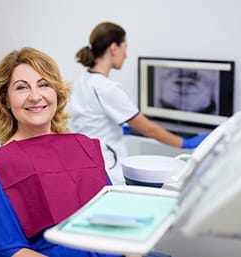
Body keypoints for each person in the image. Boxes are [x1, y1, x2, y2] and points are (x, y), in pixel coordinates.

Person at [0, 46, 169, 257]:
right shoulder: (0, 166)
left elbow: (116, 221)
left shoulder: (83, 146)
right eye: (22, 88)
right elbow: (10, 250)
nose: (35, 96)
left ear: (56, 93)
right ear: (5, 98)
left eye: (44, 85)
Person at [68, 22, 208, 185]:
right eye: (124, 47)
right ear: (114, 48)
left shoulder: (81, 80)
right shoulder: (107, 88)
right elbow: (149, 129)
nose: (126, 55)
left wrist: (120, 128)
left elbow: (91, 119)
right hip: (108, 168)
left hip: (87, 164)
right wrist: (186, 143)